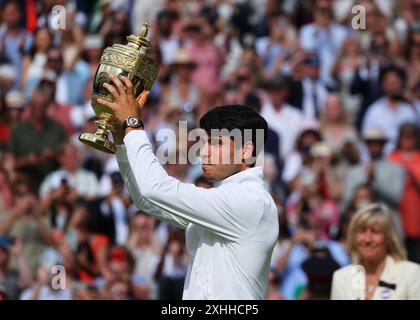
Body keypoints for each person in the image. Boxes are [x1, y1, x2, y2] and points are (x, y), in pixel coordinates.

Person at [98, 74, 279, 299]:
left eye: (217, 143)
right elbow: (147, 200)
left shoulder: (250, 201)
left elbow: (154, 188)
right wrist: (121, 140)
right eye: (205, 143)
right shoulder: (226, 199)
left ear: (246, 150)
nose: (204, 152)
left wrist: (133, 124)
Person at [331, 203, 420, 300]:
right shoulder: (341, 278)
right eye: (362, 231)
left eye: (375, 232)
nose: (367, 239)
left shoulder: (411, 274)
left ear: (388, 238)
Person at [388, 123, 420, 263]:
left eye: (411, 137)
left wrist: (411, 173)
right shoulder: (392, 157)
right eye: (404, 137)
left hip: (415, 212)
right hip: (396, 210)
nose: (408, 141)